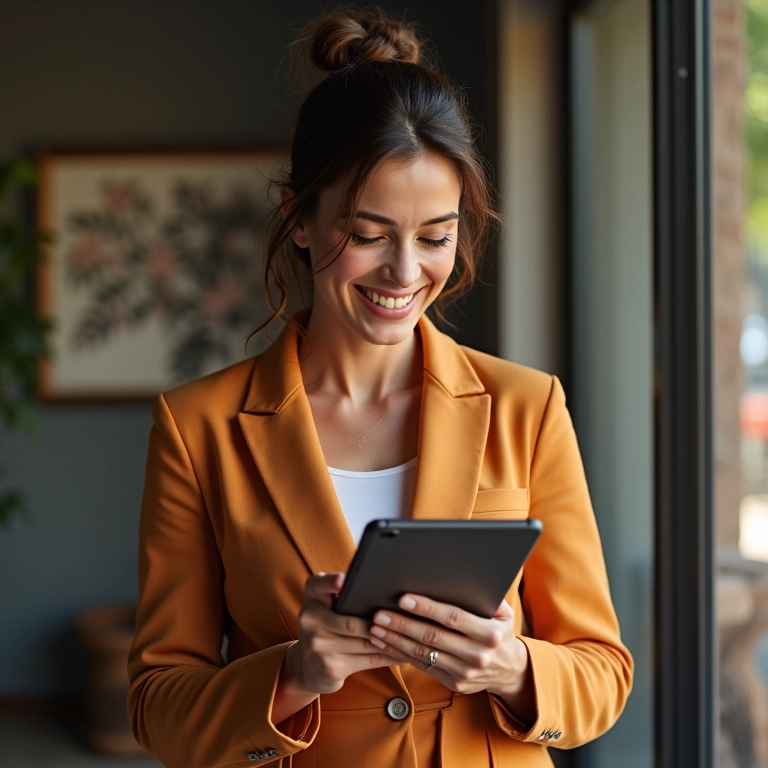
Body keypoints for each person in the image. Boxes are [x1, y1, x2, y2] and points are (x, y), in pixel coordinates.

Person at [127, 10, 633, 768]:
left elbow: (603, 674)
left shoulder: (527, 410)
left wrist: (514, 669)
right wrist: (292, 676)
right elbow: (157, 707)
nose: (405, 273)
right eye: (368, 234)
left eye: (435, 236)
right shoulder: (198, 428)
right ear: (299, 219)